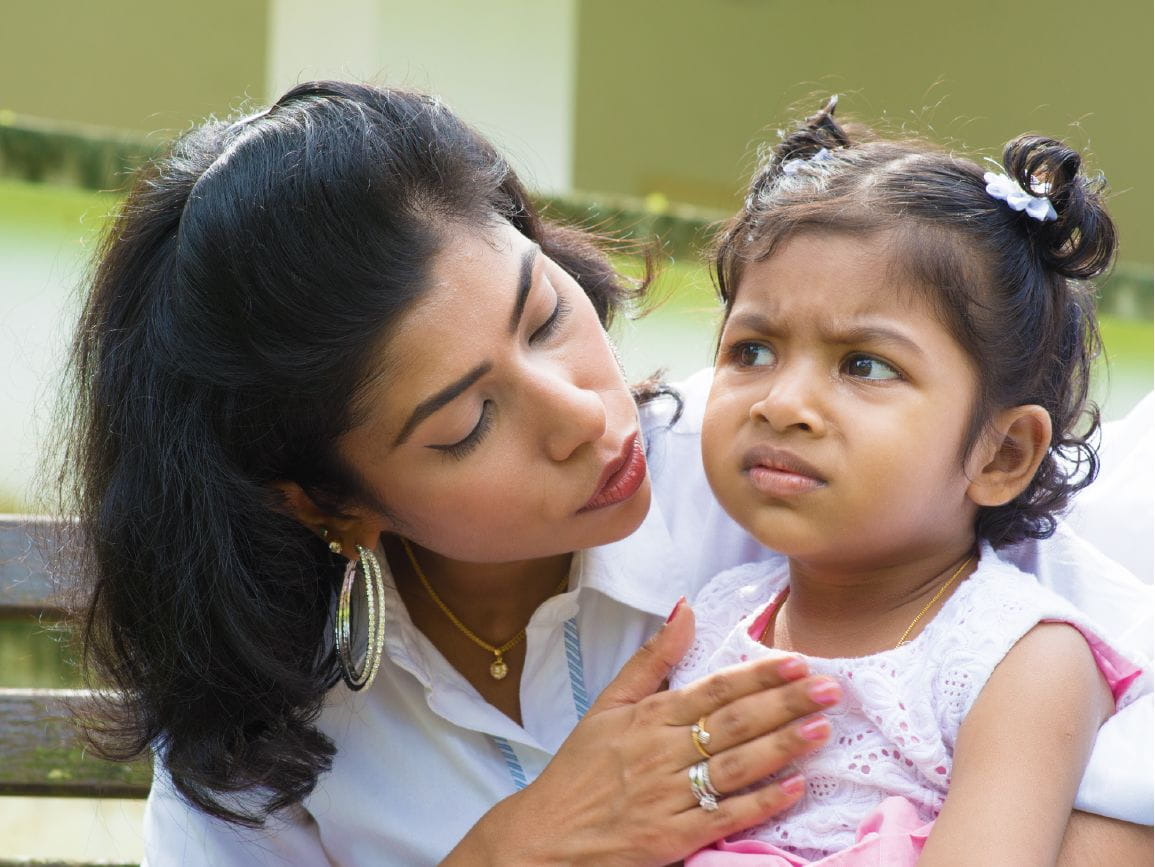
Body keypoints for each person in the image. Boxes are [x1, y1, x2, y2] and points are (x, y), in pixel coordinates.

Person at [56, 82, 1151, 865]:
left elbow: (1120, 674)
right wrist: (512, 854)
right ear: (327, 499)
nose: (588, 412)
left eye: (543, 317)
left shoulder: (792, 487)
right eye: (470, 421)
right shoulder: (264, 724)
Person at [667, 100, 1152, 865]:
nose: (781, 402)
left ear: (1000, 455)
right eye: (752, 349)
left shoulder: (1019, 659)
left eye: (864, 364)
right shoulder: (707, 620)